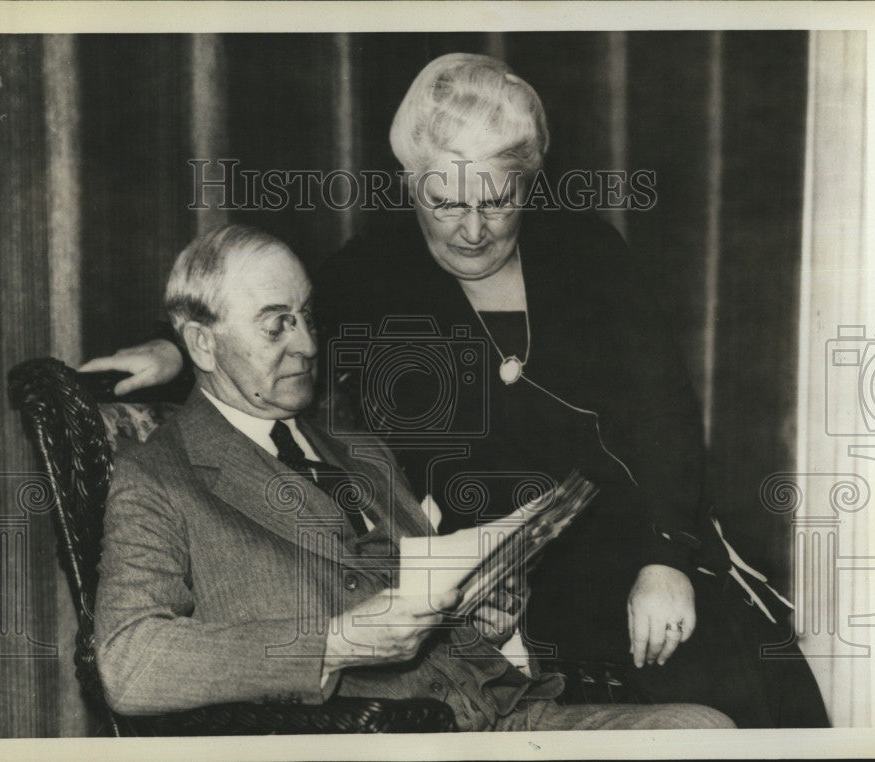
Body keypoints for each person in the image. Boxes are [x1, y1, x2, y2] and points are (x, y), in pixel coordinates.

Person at [84, 53, 828, 727]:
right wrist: (169, 347)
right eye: (445, 205)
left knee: (740, 689)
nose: (472, 230)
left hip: (644, 542)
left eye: (497, 203)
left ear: (528, 186)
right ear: (411, 186)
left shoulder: (589, 254)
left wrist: (666, 558)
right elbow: (256, 313)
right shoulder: (376, 269)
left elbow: (666, 414)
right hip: (516, 574)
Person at [93, 223, 735, 731]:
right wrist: (337, 642)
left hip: (499, 717)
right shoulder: (158, 475)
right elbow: (129, 662)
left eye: (308, 317)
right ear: (202, 345)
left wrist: (485, 613)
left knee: (704, 731)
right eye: (276, 325)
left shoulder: (361, 452)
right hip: (364, 734)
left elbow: (423, 604)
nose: (310, 346)